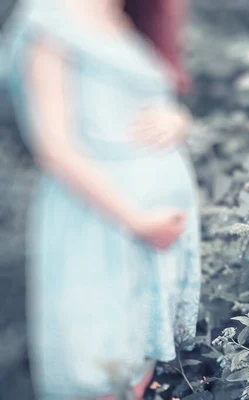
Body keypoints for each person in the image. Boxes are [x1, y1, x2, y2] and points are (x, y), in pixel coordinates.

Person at [1, 0, 201, 398]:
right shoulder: (49, 17)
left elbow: (147, 101)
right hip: (99, 223)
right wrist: (137, 220)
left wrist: (179, 119)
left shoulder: (130, 15)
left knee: (142, 378)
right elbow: (53, 146)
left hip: (155, 236)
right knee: (97, 376)